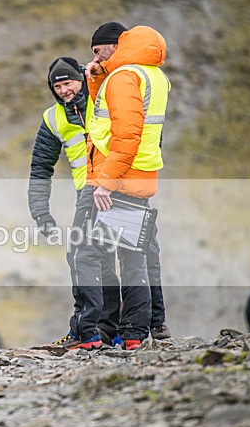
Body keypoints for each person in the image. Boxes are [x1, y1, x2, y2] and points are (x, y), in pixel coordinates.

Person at [54, 23, 171, 351]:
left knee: (83, 252)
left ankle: (88, 333)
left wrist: (105, 184)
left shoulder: (124, 78)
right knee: (133, 258)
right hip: (139, 180)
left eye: (97, 50)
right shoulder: (153, 76)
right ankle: (134, 333)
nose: (94, 56)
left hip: (112, 179)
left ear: (114, 46)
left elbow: (125, 134)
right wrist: (97, 75)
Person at [27, 56, 122, 343]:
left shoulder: (102, 99)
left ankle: (87, 331)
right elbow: (40, 168)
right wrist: (41, 213)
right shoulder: (53, 118)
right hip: (87, 194)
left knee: (81, 256)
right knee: (100, 260)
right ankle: (106, 329)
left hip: (114, 187)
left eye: (68, 83)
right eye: (57, 86)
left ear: (81, 80)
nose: (64, 90)